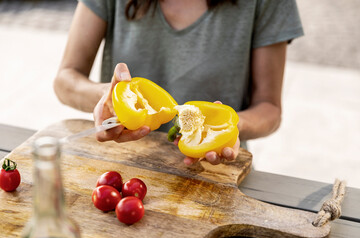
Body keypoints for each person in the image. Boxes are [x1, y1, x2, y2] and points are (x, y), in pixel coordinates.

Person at [53, 0, 304, 166]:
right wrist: (107, 96)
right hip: (122, 166)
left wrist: (227, 128)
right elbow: (66, 78)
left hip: (217, 173)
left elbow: (269, 107)